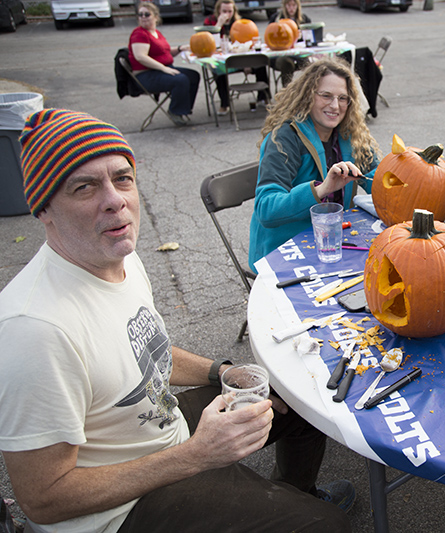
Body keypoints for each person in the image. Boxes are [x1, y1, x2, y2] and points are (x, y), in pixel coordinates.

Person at [0, 108, 355, 533]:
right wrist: (196, 456)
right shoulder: (34, 329)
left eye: (122, 178)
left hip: (161, 429)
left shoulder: (119, 257)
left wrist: (223, 371)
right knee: (327, 527)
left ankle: (290, 493)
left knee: (297, 392)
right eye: (84, 187)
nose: (115, 200)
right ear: (44, 210)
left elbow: (145, 351)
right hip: (122, 512)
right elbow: (44, 499)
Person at [249, 56, 380, 269]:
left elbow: (377, 177)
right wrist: (322, 189)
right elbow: (266, 208)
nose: (335, 106)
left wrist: (406, 173)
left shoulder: (350, 133)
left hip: (335, 243)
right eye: (326, 96)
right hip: (285, 251)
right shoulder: (284, 137)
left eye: (343, 98)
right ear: (309, 96)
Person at [129, 2, 200, 127]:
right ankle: (175, 111)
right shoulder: (139, 34)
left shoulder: (155, 32)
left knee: (193, 75)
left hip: (160, 70)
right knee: (180, 80)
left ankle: (184, 108)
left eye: (147, 14)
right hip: (146, 75)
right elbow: (140, 56)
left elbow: (164, 52)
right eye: (140, 14)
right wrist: (164, 68)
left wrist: (180, 48)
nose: (143, 17)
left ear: (156, 17)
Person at [204, 0, 269, 115]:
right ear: (218, 10)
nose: (227, 14)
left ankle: (263, 97)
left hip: (240, 59)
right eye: (224, 11)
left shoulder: (240, 24)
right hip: (222, 61)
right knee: (218, 70)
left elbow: (248, 44)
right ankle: (225, 103)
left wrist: (246, 63)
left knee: (260, 62)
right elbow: (206, 43)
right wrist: (218, 25)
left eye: (230, 11)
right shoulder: (210, 22)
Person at [269, 0, 311, 88]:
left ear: (298, 6)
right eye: (289, 5)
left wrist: (302, 36)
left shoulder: (304, 19)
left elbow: (309, 39)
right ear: (284, 6)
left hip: (298, 53)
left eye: (293, 5)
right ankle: (287, 90)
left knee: (309, 65)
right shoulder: (276, 19)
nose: (291, 8)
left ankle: (308, 89)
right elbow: (270, 37)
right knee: (287, 63)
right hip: (282, 53)